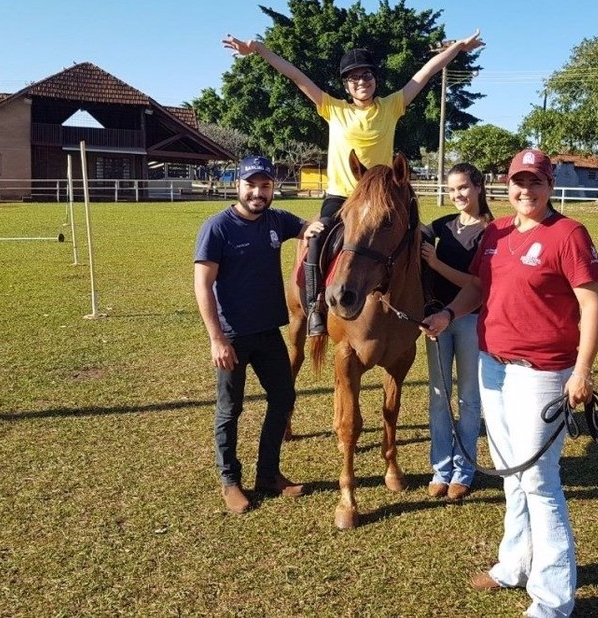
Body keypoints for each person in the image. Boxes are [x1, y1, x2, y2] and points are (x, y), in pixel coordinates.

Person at [421, 148, 598, 617]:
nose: (526, 191)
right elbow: (478, 290)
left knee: (540, 482)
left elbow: (592, 304)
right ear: (507, 185)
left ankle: (552, 600)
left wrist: (582, 370)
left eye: (536, 182)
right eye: (519, 182)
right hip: (493, 365)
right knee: (510, 477)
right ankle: (513, 566)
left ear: (550, 185)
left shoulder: (570, 235)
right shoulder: (497, 232)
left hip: (545, 373)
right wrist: (447, 313)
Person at [222, 29, 484, 336]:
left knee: (418, 238)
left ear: (375, 79)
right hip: (342, 196)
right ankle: (316, 305)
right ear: (346, 85)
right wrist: (259, 49)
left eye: (367, 75)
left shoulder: (391, 106)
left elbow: (425, 73)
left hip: (380, 198)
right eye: (354, 77)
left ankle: (425, 300)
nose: (362, 81)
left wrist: (459, 48)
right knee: (317, 238)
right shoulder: (334, 109)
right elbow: (297, 76)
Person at [193, 155, 324, 514]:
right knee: (229, 409)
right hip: (232, 337)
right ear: (238, 185)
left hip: (268, 332)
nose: (258, 192)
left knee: (283, 398)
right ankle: (230, 480)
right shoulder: (217, 227)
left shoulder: (276, 220)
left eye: (265, 186)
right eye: (251, 184)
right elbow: (203, 286)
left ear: (272, 189)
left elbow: (309, 228)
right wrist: (216, 339)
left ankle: (267, 473)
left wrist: (324, 226)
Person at [419, 162, 493, 503]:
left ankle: (464, 470)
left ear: (478, 186)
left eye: (463, 187)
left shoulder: (491, 231)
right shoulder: (441, 227)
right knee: (438, 396)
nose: (458, 195)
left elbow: (478, 286)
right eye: (451, 190)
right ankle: (441, 469)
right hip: (435, 322)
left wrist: (436, 264)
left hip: (470, 321)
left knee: (468, 398)